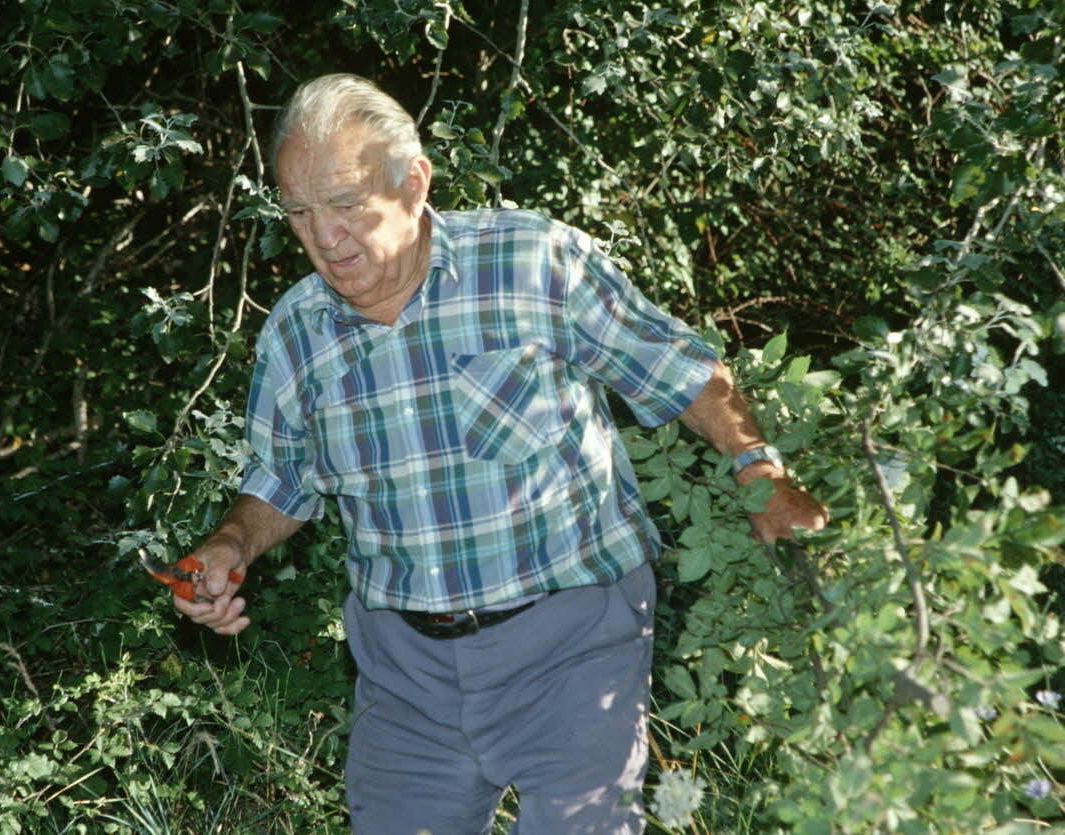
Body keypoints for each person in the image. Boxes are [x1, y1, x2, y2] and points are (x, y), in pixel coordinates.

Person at [173, 73, 828, 834]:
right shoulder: (295, 332)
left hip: (575, 644)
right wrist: (228, 544)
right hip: (405, 674)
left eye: (347, 203)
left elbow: (678, 368)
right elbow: (283, 477)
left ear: (415, 183)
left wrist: (762, 471)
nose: (324, 236)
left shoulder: (531, 264)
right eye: (300, 212)